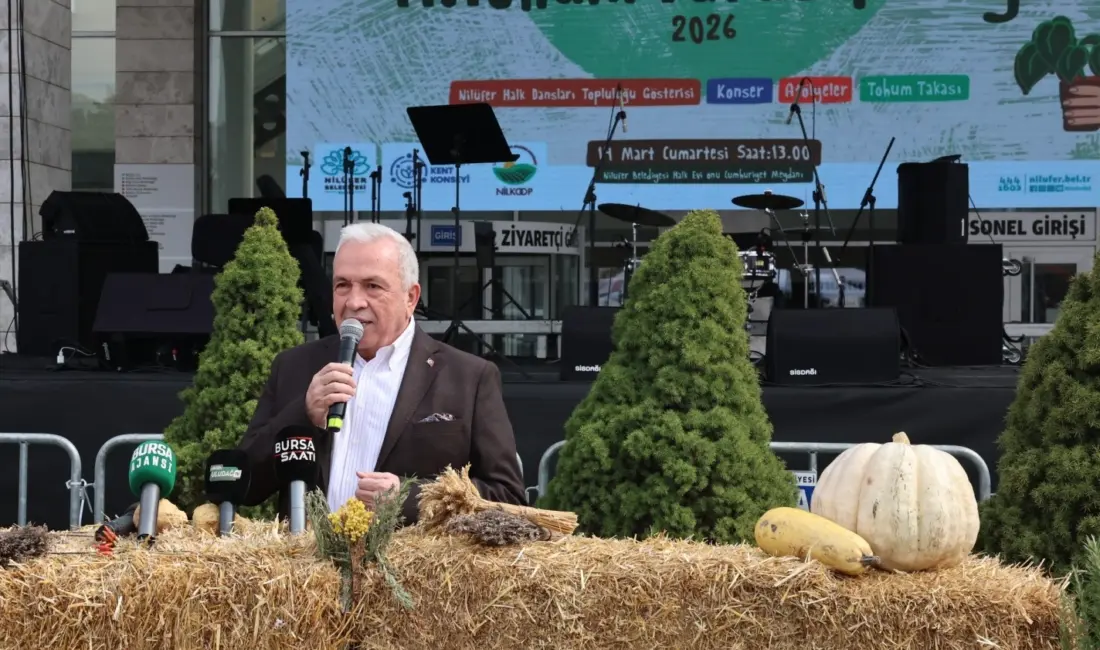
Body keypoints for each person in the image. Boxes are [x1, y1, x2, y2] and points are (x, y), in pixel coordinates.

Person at [238, 222, 526, 523]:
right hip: (308, 553)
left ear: (410, 298)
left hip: (409, 554)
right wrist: (303, 413)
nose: (354, 302)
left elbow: (507, 496)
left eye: (372, 286)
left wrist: (409, 498)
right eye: (342, 285)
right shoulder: (295, 366)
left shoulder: (469, 378)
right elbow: (243, 484)